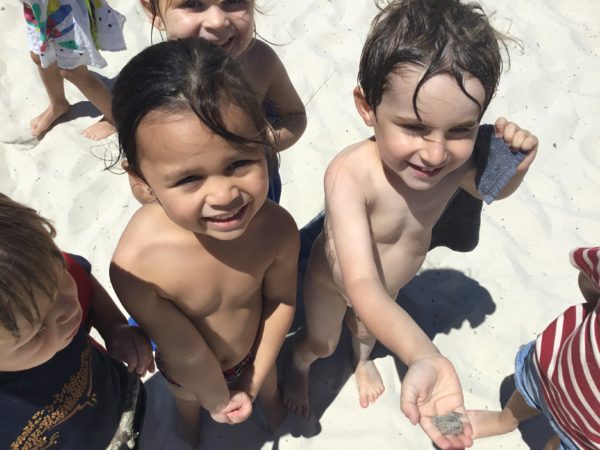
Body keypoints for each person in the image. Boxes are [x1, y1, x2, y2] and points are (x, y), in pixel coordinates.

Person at [282, 0, 539, 448]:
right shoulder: (351, 175)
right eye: (415, 127)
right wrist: (424, 353)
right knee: (322, 343)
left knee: (366, 336)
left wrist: (513, 169)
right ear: (367, 106)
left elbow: (488, 190)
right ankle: (298, 366)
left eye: (460, 130)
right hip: (336, 283)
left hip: (392, 287)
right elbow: (361, 282)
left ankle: (361, 362)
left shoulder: (455, 167)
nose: (435, 153)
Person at [110, 37, 299, 446]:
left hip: (256, 353)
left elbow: (281, 301)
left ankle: (270, 404)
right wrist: (216, 401)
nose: (224, 195)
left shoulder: (276, 229)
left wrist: (253, 380)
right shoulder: (137, 266)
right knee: (187, 405)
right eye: (189, 178)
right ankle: (191, 426)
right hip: (185, 374)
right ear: (141, 181)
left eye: (239, 162)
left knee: (270, 392)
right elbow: (186, 352)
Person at [0, 193, 154, 450]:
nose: (70, 309)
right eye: (38, 330)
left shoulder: (33, 275)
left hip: (125, 400)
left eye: (62, 276)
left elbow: (83, 280)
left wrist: (114, 327)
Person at [124, 0, 307, 204]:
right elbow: (139, 176)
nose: (217, 21)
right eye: (192, 3)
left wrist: (257, 147)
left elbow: (295, 116)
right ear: (153, 11)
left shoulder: (259, 61)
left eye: (233, 0)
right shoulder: (149, 86)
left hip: (255, 190)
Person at [467, 246, 600, 450]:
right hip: (557, 368)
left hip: (563, 372)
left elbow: (587, 278)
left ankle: (507, 420)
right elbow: (588, 274)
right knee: (535, 387)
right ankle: (504, 420)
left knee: (536, 387)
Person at [20, 0, 126, 140]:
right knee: (39, 56)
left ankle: (115, 117)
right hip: (37, 7)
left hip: (65, 9)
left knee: (72, 70)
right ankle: (58, 104)